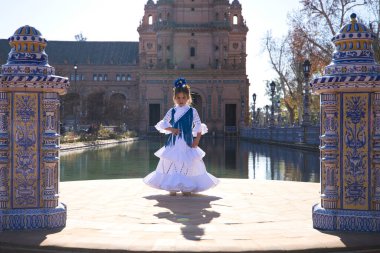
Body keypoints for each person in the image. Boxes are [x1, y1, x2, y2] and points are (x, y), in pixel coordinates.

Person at [143, 77, 219, 196]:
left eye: (184, 97)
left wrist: (196, 141)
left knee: (187, 163)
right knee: (173, 163)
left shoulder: (192, 111)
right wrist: (171, 129)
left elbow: (199, 126)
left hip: (187, 143)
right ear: (174, 98)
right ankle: (172, 186)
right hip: (173, 143)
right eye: (178, 97)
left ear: (188, 98)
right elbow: (162, 124)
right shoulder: (172, 111)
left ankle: (187, 186)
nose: (181, 100)